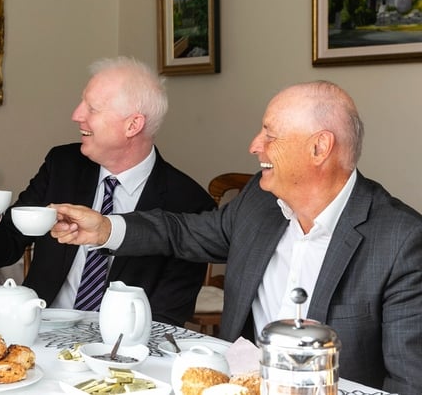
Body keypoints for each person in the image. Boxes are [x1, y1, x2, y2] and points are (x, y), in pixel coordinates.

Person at [51, 80, 422, 394]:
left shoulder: (399, 241)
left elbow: (409, 381)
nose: (254, 145)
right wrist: (105, 228)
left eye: (269, 135)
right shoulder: (258, 204)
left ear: (319, 148)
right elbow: (183, 232)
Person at [0, 56, 215, 326]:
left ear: (133, 125)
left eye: (92, 108)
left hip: (119, 349)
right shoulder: (63, 165)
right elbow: (1, 250)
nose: (76, 115)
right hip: (38, 332)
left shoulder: (189, 203)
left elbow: (168, 316)